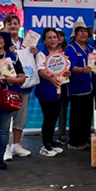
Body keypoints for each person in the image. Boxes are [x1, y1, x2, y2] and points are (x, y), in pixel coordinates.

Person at [0, 29, 26, 170]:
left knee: (3, 130)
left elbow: (22, 78)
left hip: (6, 97)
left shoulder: (12, 57)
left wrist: (12, 80)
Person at [1, 13, 36, 159]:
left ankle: (16, 144)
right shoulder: (1, 41)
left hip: (24, 85)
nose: (13, 26)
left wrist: (34, 52)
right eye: (9, 23)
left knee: (21, 116)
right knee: (5, 117)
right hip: (6, 86)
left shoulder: (26, 42)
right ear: (5, 26)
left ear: (19, 25)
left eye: (15, 23)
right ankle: (5, 147)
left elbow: (32, 60)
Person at [35, 28, 68, 157]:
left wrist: (67, 73)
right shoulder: (41, 54)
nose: (53, 40)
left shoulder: (60, 53)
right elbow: (41, 70)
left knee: (54, 117)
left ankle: (50, 142)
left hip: (58, 90)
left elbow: (64, 69)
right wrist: (51, 78)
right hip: (46, 90)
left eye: (55, 37)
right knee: (48, 118)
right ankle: (45, 145)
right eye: (49, 37)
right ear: (44, 40)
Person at [64, 19, 95, 150]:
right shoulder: (70, 48)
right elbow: (68, 66)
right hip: (77, 88)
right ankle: (74, 141)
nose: (83, 34)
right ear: (75, 34)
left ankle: (85, 139)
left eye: (85, 32)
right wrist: (81, 70)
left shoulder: (90, 48)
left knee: (87, 115)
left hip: (89, 87)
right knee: (77, 116)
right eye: (80, 31)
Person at [55, 29, 69, 145]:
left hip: (68, 84)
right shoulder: (49, 51)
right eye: (57, 36)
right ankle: (58, 134)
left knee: (64, 110)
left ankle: (62, 134)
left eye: (61, 36)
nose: (59, 38)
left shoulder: (68, 50)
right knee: (56, 111)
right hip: (53, 84)